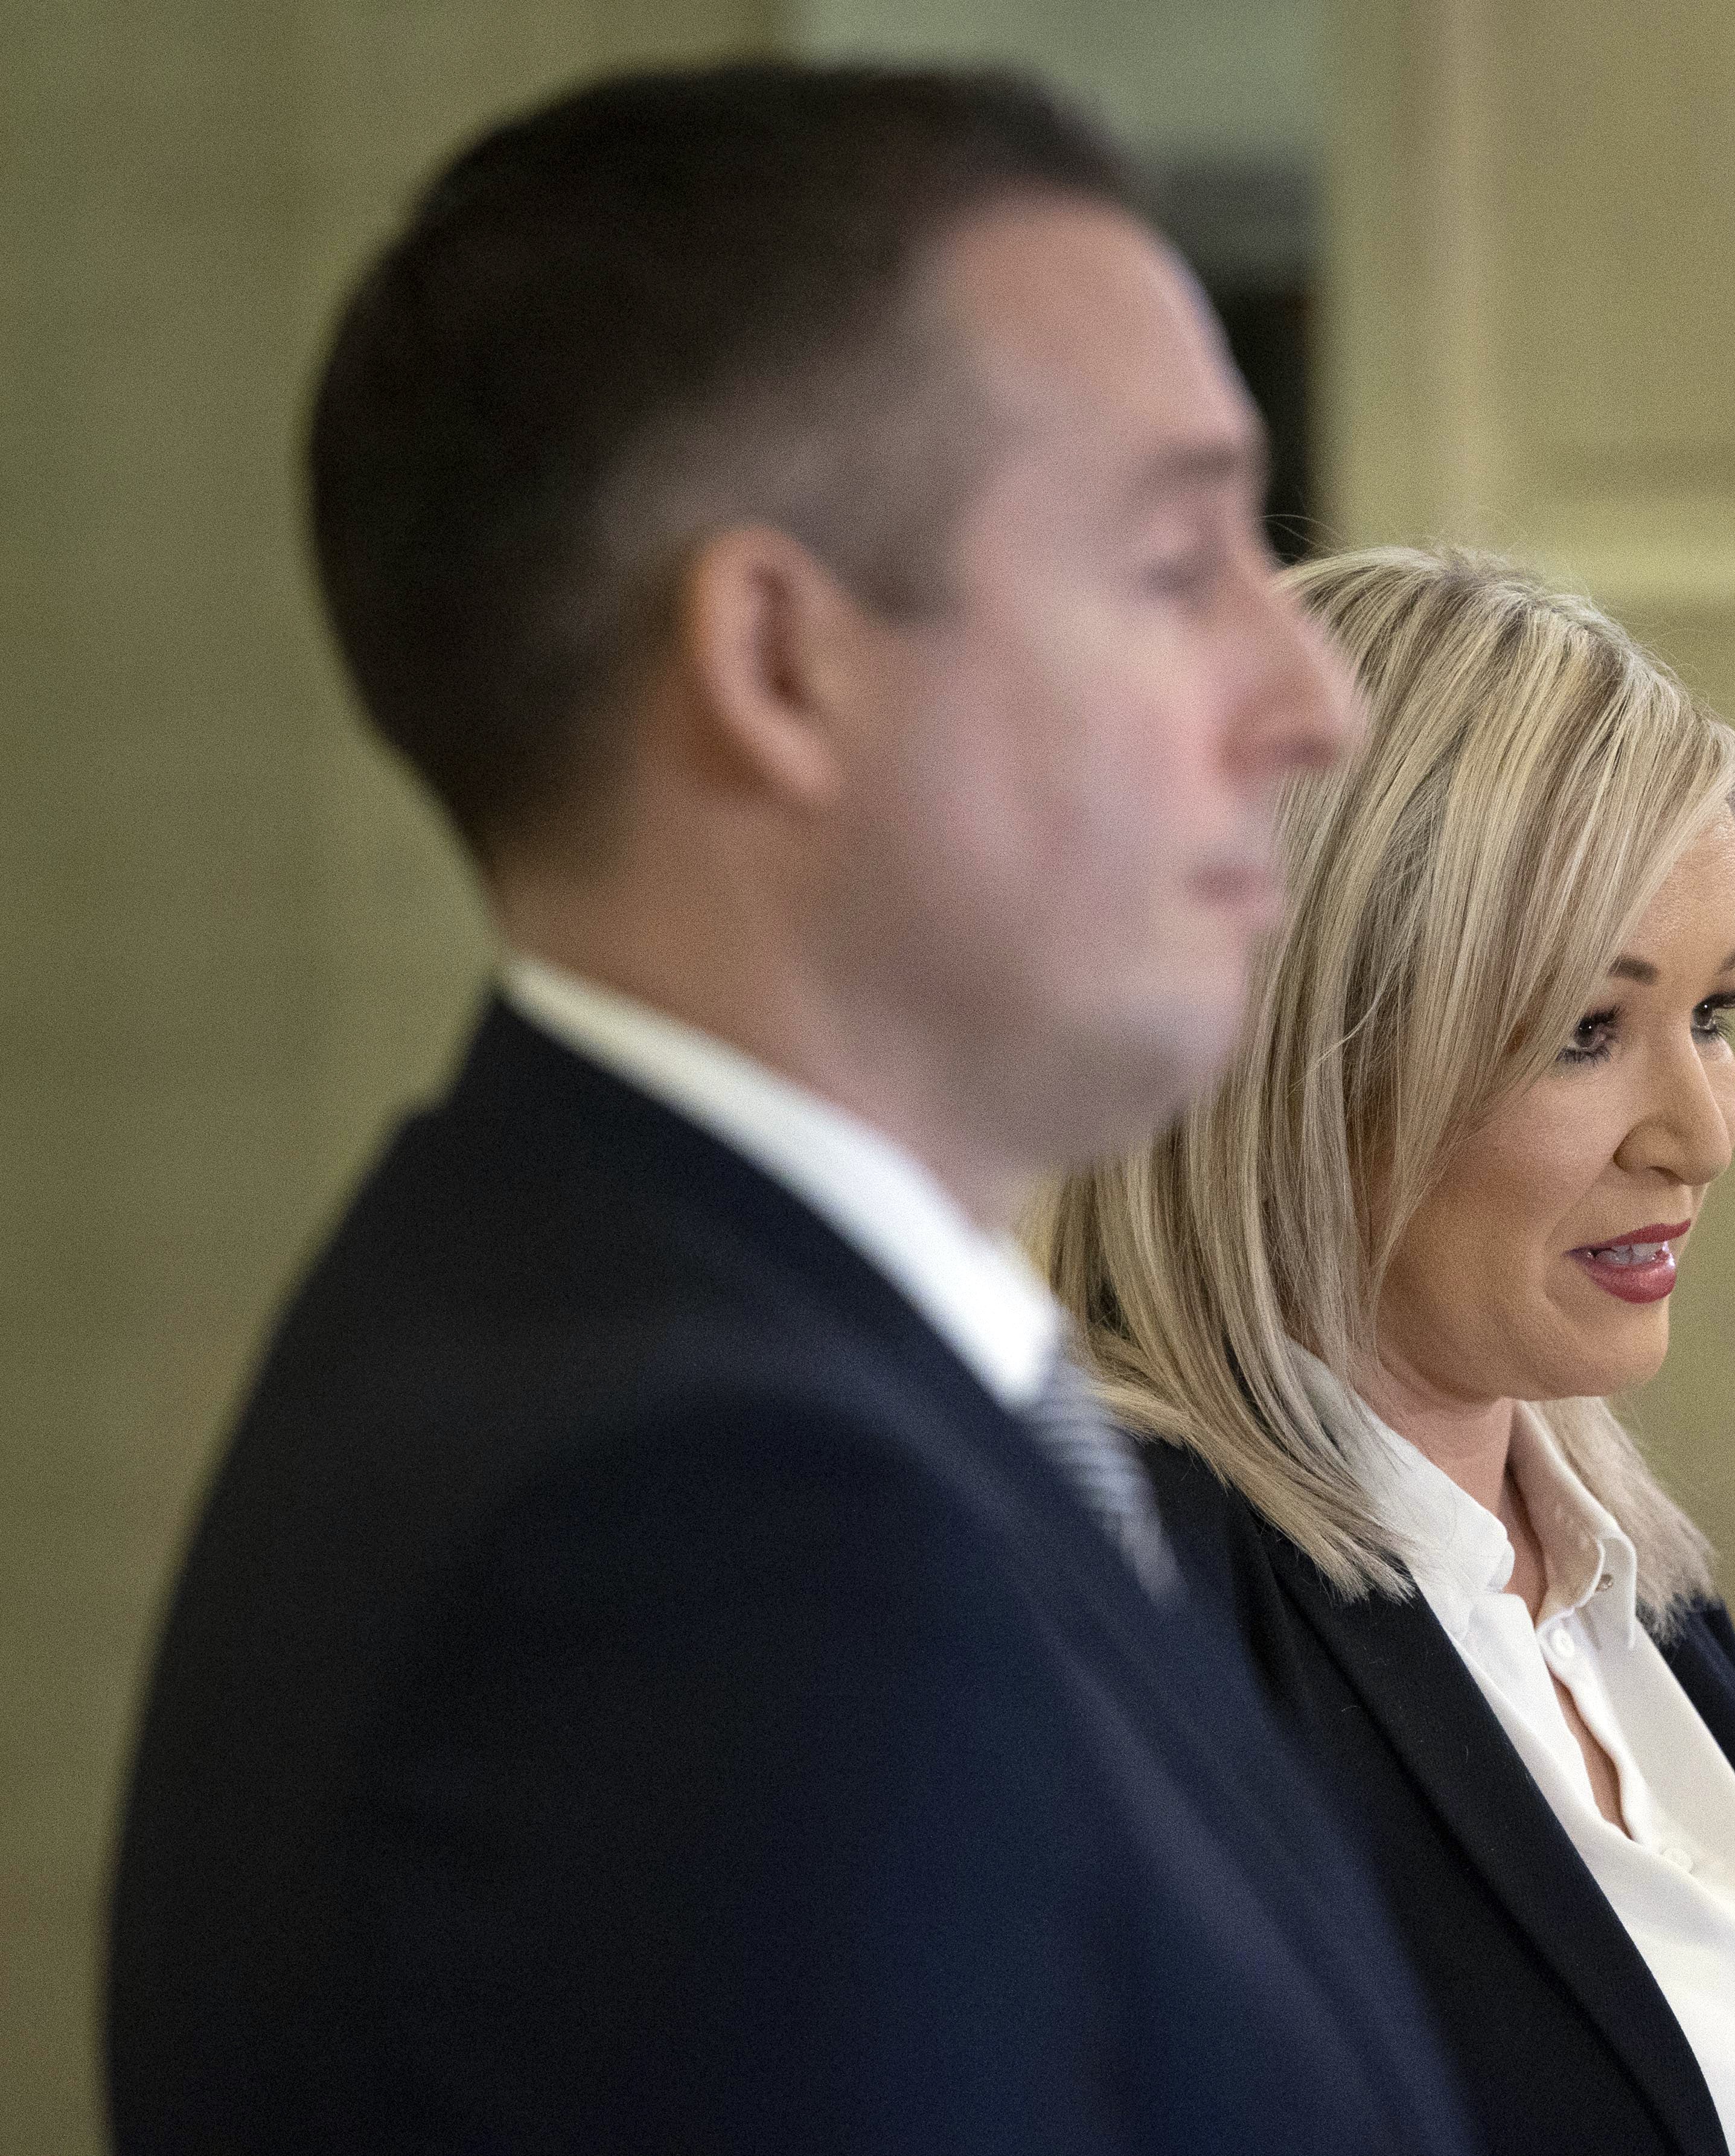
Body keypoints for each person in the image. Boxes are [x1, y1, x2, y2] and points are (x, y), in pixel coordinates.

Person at [106, 64, 1478, 2156]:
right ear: (776, 659)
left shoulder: (622, 1340)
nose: (1312, 703)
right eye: (1177, 560)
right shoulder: (712, 1532)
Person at [1045, 545, 1735, 2156]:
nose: (1694, 1135)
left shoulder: (1644, 1608)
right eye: (1585, 1031)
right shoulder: (1122, 1620)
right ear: (1300, 1057)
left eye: (1715, 1013)